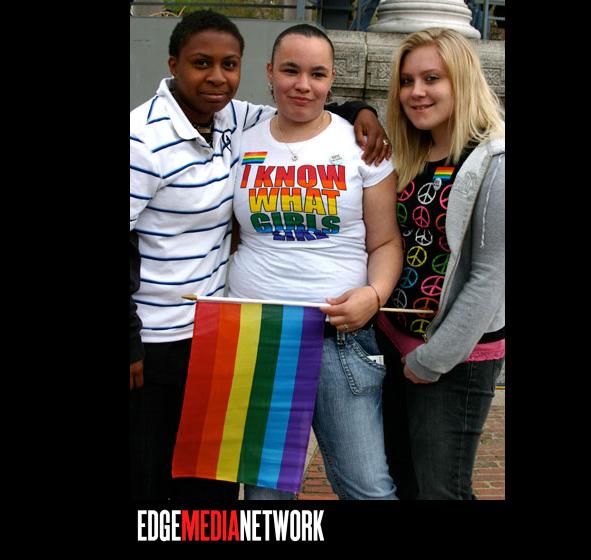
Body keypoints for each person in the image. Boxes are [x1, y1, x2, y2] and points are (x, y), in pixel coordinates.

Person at [129, 10, 392, 501]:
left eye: (228, 65)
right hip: (198, 337)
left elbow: (307, 104)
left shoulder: (233, 119)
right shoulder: (152, 137)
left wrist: (362, 109)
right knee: (179, 477)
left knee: (358, 485)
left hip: (269, 330)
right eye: (201, 63)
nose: (216, 77)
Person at [228, 23, 402, 500]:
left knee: (367, 487)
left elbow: (386, 242)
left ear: (331, 80)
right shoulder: (240, 142)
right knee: (266, 498)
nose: (303, 85)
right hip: (257, 336)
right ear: (270, 72)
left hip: (338, 337)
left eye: (317, 74)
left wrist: (374, 295)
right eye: (291, 70)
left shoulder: (362, 147)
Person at [375, 28, 505, 500]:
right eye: (406, 81)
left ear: (462, 80)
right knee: (402, 482)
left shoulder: (494, 160)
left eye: (432, 78)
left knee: (442, 491)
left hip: (454, 358)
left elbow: (491, 277)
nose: (416, 92)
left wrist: (432, 360)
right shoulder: (413, 151)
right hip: (394, 342)